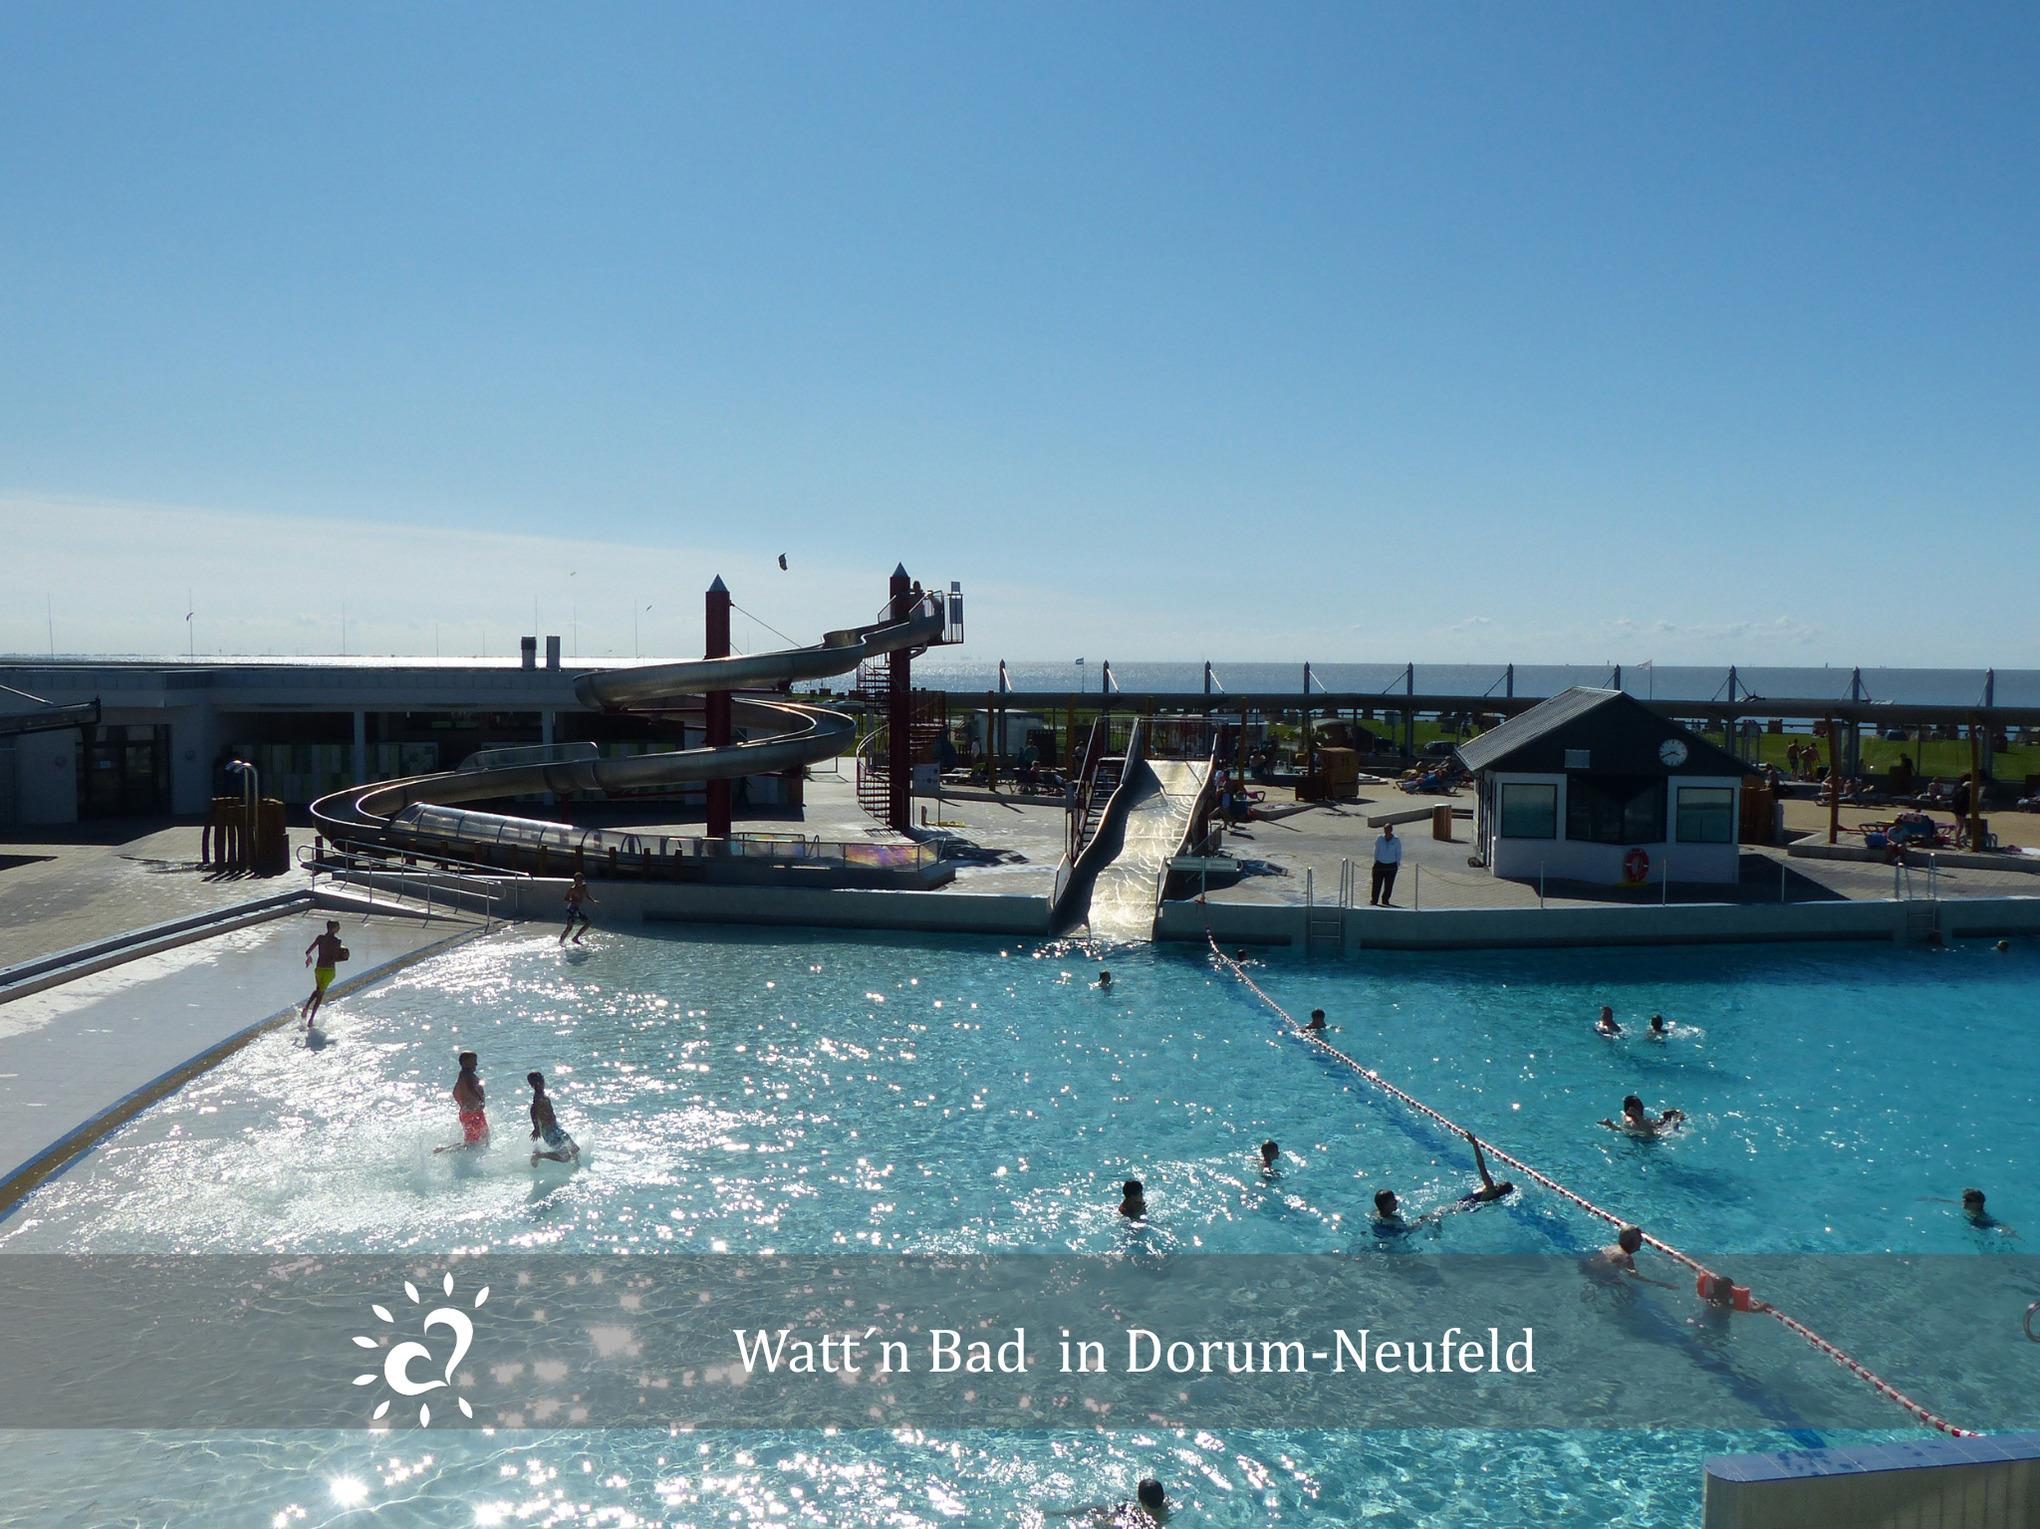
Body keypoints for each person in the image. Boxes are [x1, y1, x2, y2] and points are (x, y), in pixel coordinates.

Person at [435, 1052, 488, 1152]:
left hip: (469, 1112)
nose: (476, 1064)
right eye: (473, 1061)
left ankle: (444, 1150)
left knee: (477, 1140)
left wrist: (463, 1104)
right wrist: (480, 1100)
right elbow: (471, 1087)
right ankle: (444, 1151)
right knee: (475, 1143)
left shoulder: (463, 1076)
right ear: (465, 1063)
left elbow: (455, 1092)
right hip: (473, 1113)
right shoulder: (466, 1075)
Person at [301, 920, 349, 1028]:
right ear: (333, 929)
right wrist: (344, 956)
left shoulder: (320, 938)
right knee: (320, 995)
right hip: (329, 970)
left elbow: (307, 951)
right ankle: (311, 1020)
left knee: (318, 989)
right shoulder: (337, 941)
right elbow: (334, 957)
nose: (339, 928)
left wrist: (309, 958)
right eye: (338, 927)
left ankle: (306, 1007)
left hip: (319, 969)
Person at [527, 1071, 580, 1164]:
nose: (544, 1082)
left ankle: (577, 1166)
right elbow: (533, 1110)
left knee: (574, 1148)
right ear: (538, 1083)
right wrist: (536, 1127)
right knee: (565, 1157)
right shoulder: (538, 1097)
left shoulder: (542, 1095)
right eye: (542, 1080)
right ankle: (538, 1155)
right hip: (548, 1131)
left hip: (555, 1127)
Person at [1455, 1130, 1515, 1207]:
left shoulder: (1490, 1188)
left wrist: (1475, 1145)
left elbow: (1481, 1166)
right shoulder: (1493, 1196)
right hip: (1466, 1206)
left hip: (1461, 1206)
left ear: (1500, 1187)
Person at [1601, 1094, 1685, 1136]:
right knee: (1672, 1118)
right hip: (1653, 1138)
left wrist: (1611, 1126)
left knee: (1669, 1113)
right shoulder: (1632, 1122)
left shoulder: (1629, 1117)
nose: (1643, 1107)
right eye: (1640, 1106)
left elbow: (1622, 1129)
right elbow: (1651, 1134)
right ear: (1633, 1109)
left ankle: (1677, 1116)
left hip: (1653, 1126)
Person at [1370, 822, 1403, 906]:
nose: (1386, 831)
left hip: (1391, 865)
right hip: (1380, 864)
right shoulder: (1379, 838)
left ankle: (1385, 900)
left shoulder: (1396, 840)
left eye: (1388, 829)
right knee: (1376, 884)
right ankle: (1374, 900)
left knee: (1389, 885)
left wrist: (1397, 864)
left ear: (1391, 830)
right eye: (1385, 829)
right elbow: (1376, 850)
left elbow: (1398, 852)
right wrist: (1375, 861)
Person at [559, 873, 595, 946]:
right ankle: (561, 942)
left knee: (588, 923)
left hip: (577, 909)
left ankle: (576, 938)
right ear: (575, 881)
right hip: (571, 909)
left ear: (583, 880)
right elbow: (566, 898)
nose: (579, 882)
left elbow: (587, 895)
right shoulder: (572, 889)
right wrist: (573, 900)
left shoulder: (584, 886)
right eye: (577, 880)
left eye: (580, 880)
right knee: (569, 927)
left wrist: (593, 900)